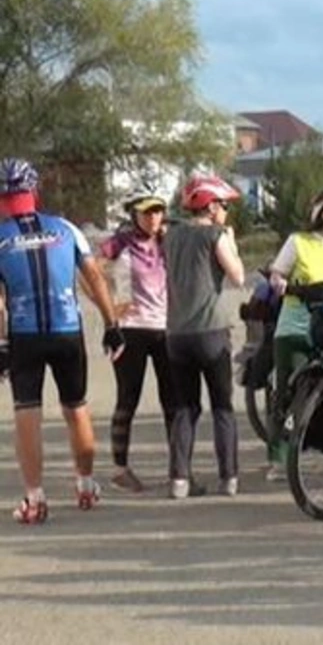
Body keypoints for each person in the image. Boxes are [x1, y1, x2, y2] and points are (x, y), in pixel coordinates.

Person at [0, 158, 125, 523]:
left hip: (25, 335)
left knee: (27, 410)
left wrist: (1, 345)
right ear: (33, 192)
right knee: (76, 406)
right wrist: (111, 323)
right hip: (67, 330)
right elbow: (96, 278)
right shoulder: (66, 228)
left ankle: (34, 498)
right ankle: (85, 485)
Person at [263, 188, 323, 481]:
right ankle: (279, 458)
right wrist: (280, 282)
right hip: (295, 328)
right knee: (289, 393)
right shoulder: (298, 242)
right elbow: (276, 273)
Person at [162, 173, 245, 499]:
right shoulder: (215, 234)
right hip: (211, 331)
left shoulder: (171, 237)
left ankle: (179, 479)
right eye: (223, 205)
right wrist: (231, 242)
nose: (225, 211)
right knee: (222, 406)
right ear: (209, 206)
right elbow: (238, 276)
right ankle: (229, 478)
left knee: (185, 407)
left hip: (177, 333)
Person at [96, 188, 174, 493]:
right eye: (147, 212)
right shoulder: (122, 242)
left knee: (173, 399)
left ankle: (177, 466)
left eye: (158, 211)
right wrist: (109, 308)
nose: (154, 217)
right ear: (135, 214)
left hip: (165, 327)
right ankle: (119, 468)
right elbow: (90, 271)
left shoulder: (167, 240)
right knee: (128, 397)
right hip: (131, 328)